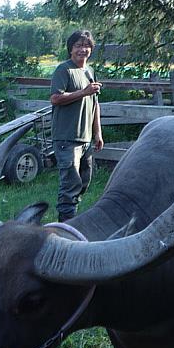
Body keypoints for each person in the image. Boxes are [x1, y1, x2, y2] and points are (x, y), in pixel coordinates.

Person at [50, 30, 104, 222]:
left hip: (86, 138)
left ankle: (72, 219)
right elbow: (56, 98)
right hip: (66, 138)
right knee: (70, 183)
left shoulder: (89, 72)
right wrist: (84, 92)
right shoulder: (64, 70)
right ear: (70, 49)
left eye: (86, 46)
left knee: (83, 181)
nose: (83, 49)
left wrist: (98, 133)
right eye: (78, 46)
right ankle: (65, 227)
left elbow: (95, 104)